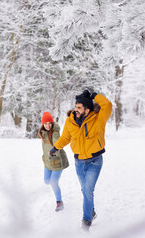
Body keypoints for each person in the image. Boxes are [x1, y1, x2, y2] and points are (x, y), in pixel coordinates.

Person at [49, 90, 112, 230]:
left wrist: (95, 96)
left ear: (87, 110)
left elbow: (107, 105)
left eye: (79, 107)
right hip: (79, 162)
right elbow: (66, 137)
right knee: (85, 190)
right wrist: (55, 148)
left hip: (94, 161)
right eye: (75, 106)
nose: (75, 110)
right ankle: (91, 211)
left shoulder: (98, 118)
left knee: (88, 190)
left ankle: (86, 220)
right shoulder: (70, 121)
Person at [39, 111, 69, 212]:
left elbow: (57, 143)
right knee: (47, 181)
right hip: (47, 162)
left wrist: (55, 150)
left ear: (52, 123)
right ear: (43, 124)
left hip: (57, 161)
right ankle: (56, 190)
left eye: (49, 123)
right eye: (45, 123)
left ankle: (59, 202)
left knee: (53, 182)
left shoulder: (55, 133)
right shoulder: (43, 133)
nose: (48, 125)